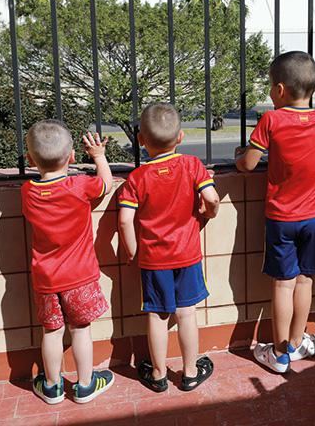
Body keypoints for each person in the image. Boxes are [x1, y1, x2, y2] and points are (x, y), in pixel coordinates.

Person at [235, 51, 315, 374]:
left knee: (283, 284)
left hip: (281, 218)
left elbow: (249, 165)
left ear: (279, 90)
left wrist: (240, 156)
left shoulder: (272, 120)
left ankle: (278, 354)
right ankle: (296, 343)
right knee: (305, 281)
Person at [118, 103, 220, 392]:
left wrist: (132, 252)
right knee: (186, 312)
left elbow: (125, 221)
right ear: (181, 137)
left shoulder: (136, 179)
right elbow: (211, 198)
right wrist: (209, 213)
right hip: (187, 255)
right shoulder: (192, 166)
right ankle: (189, 372)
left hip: (153, 259)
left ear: (140, 140)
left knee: (157, 315)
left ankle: (159, 373)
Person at [21, 120, 115, 404]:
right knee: (81, 330)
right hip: (80, 276)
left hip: (46, 278)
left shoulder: (28, 192)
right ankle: (85, 385)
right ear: (72, 156)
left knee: (52, 330)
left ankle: (52, 386)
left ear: (30, 159)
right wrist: (99, 157)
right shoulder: (80, 186)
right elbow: (106, 185)